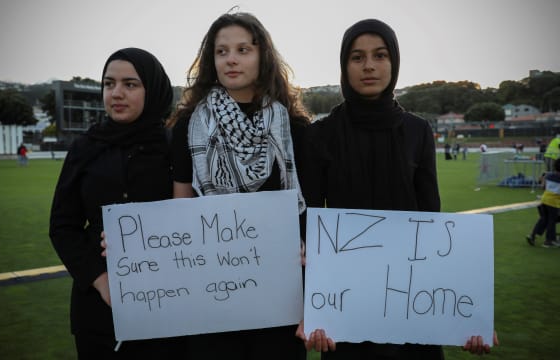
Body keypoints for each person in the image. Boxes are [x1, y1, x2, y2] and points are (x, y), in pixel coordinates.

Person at [296, 19, 498, 358]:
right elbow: (310, 227)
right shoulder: (321, 134)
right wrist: (311, 311)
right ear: (345, 65)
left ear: (395, 62)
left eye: (380, 55)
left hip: (412, 305)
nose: (369, 66)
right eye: (357, 57)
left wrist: (469, 317)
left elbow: (432, 225)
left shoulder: (418, 131)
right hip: (348, 304)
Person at [168, 11, 309, 360]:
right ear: (211, 60)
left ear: (263, 57)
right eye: (221, 51)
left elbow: (307, 207)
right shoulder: (189, 123)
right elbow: (181, 207)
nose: (231, 58)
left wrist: (309, 247)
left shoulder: (293, 125)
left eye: (243, 49)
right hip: (213, 293)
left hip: (279, 294)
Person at [49, 48, 187, 358]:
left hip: (168, 305)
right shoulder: (84, 148)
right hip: (98, 311)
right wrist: (101, 281)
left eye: (130, 84)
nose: (117, 93)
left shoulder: (174, 146)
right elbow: (62, 225)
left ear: (152, 90)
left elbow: (193, 218)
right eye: (109, 84)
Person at [526, 158, 560, 248]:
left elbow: (543, 187)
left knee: (543, 219)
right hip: (554, 203)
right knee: (551, 221)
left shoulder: (549, 176)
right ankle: (549, 241)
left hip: (544, 200)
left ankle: (532, 235)